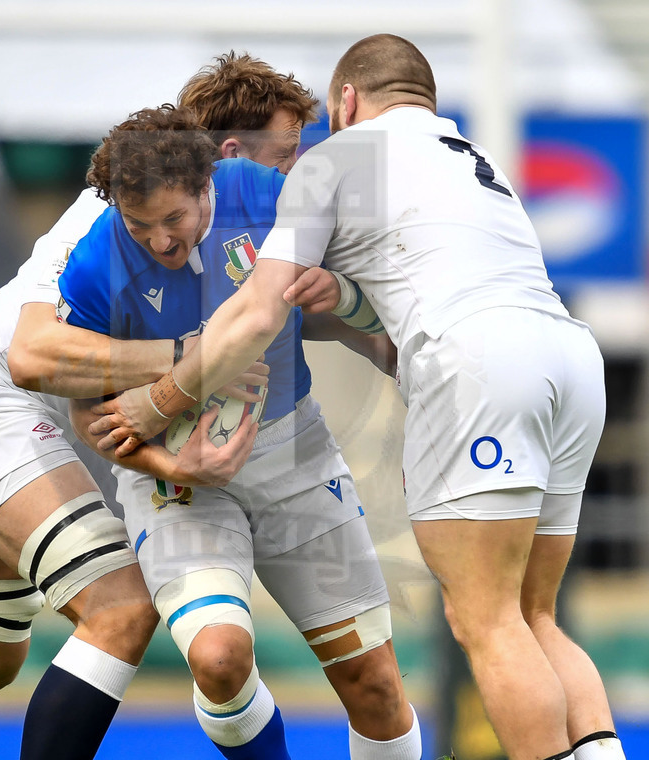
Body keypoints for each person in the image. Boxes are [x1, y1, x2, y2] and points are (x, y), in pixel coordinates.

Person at [92, 34, 626, 760]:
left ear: (347, 102)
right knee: (535, 616)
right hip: (569, 355)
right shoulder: (473, 158)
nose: (292, 169)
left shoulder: (344, 158)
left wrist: (158, 400)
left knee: (488, 621)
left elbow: (260, 311)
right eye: (281, 154)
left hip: (477, 365)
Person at [0, 52, 315, 760]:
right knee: (120, 608)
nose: (292, 172)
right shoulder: (128, 214)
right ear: (227, 154)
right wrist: (190, 360)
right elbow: (33, 357)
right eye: (282, 155)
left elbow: (101, 406)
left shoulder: (221, 231)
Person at [61, 104, 422, 760]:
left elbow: (377, 292)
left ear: (208, 183)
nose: (160, 242)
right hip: (175, 483)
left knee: (373, 684)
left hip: (295, 457)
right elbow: (86, 414)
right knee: (220, 658)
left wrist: (338, 289)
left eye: (174, 220)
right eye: (140, 227)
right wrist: (176, 468)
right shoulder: (92, 267)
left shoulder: (262, 193)